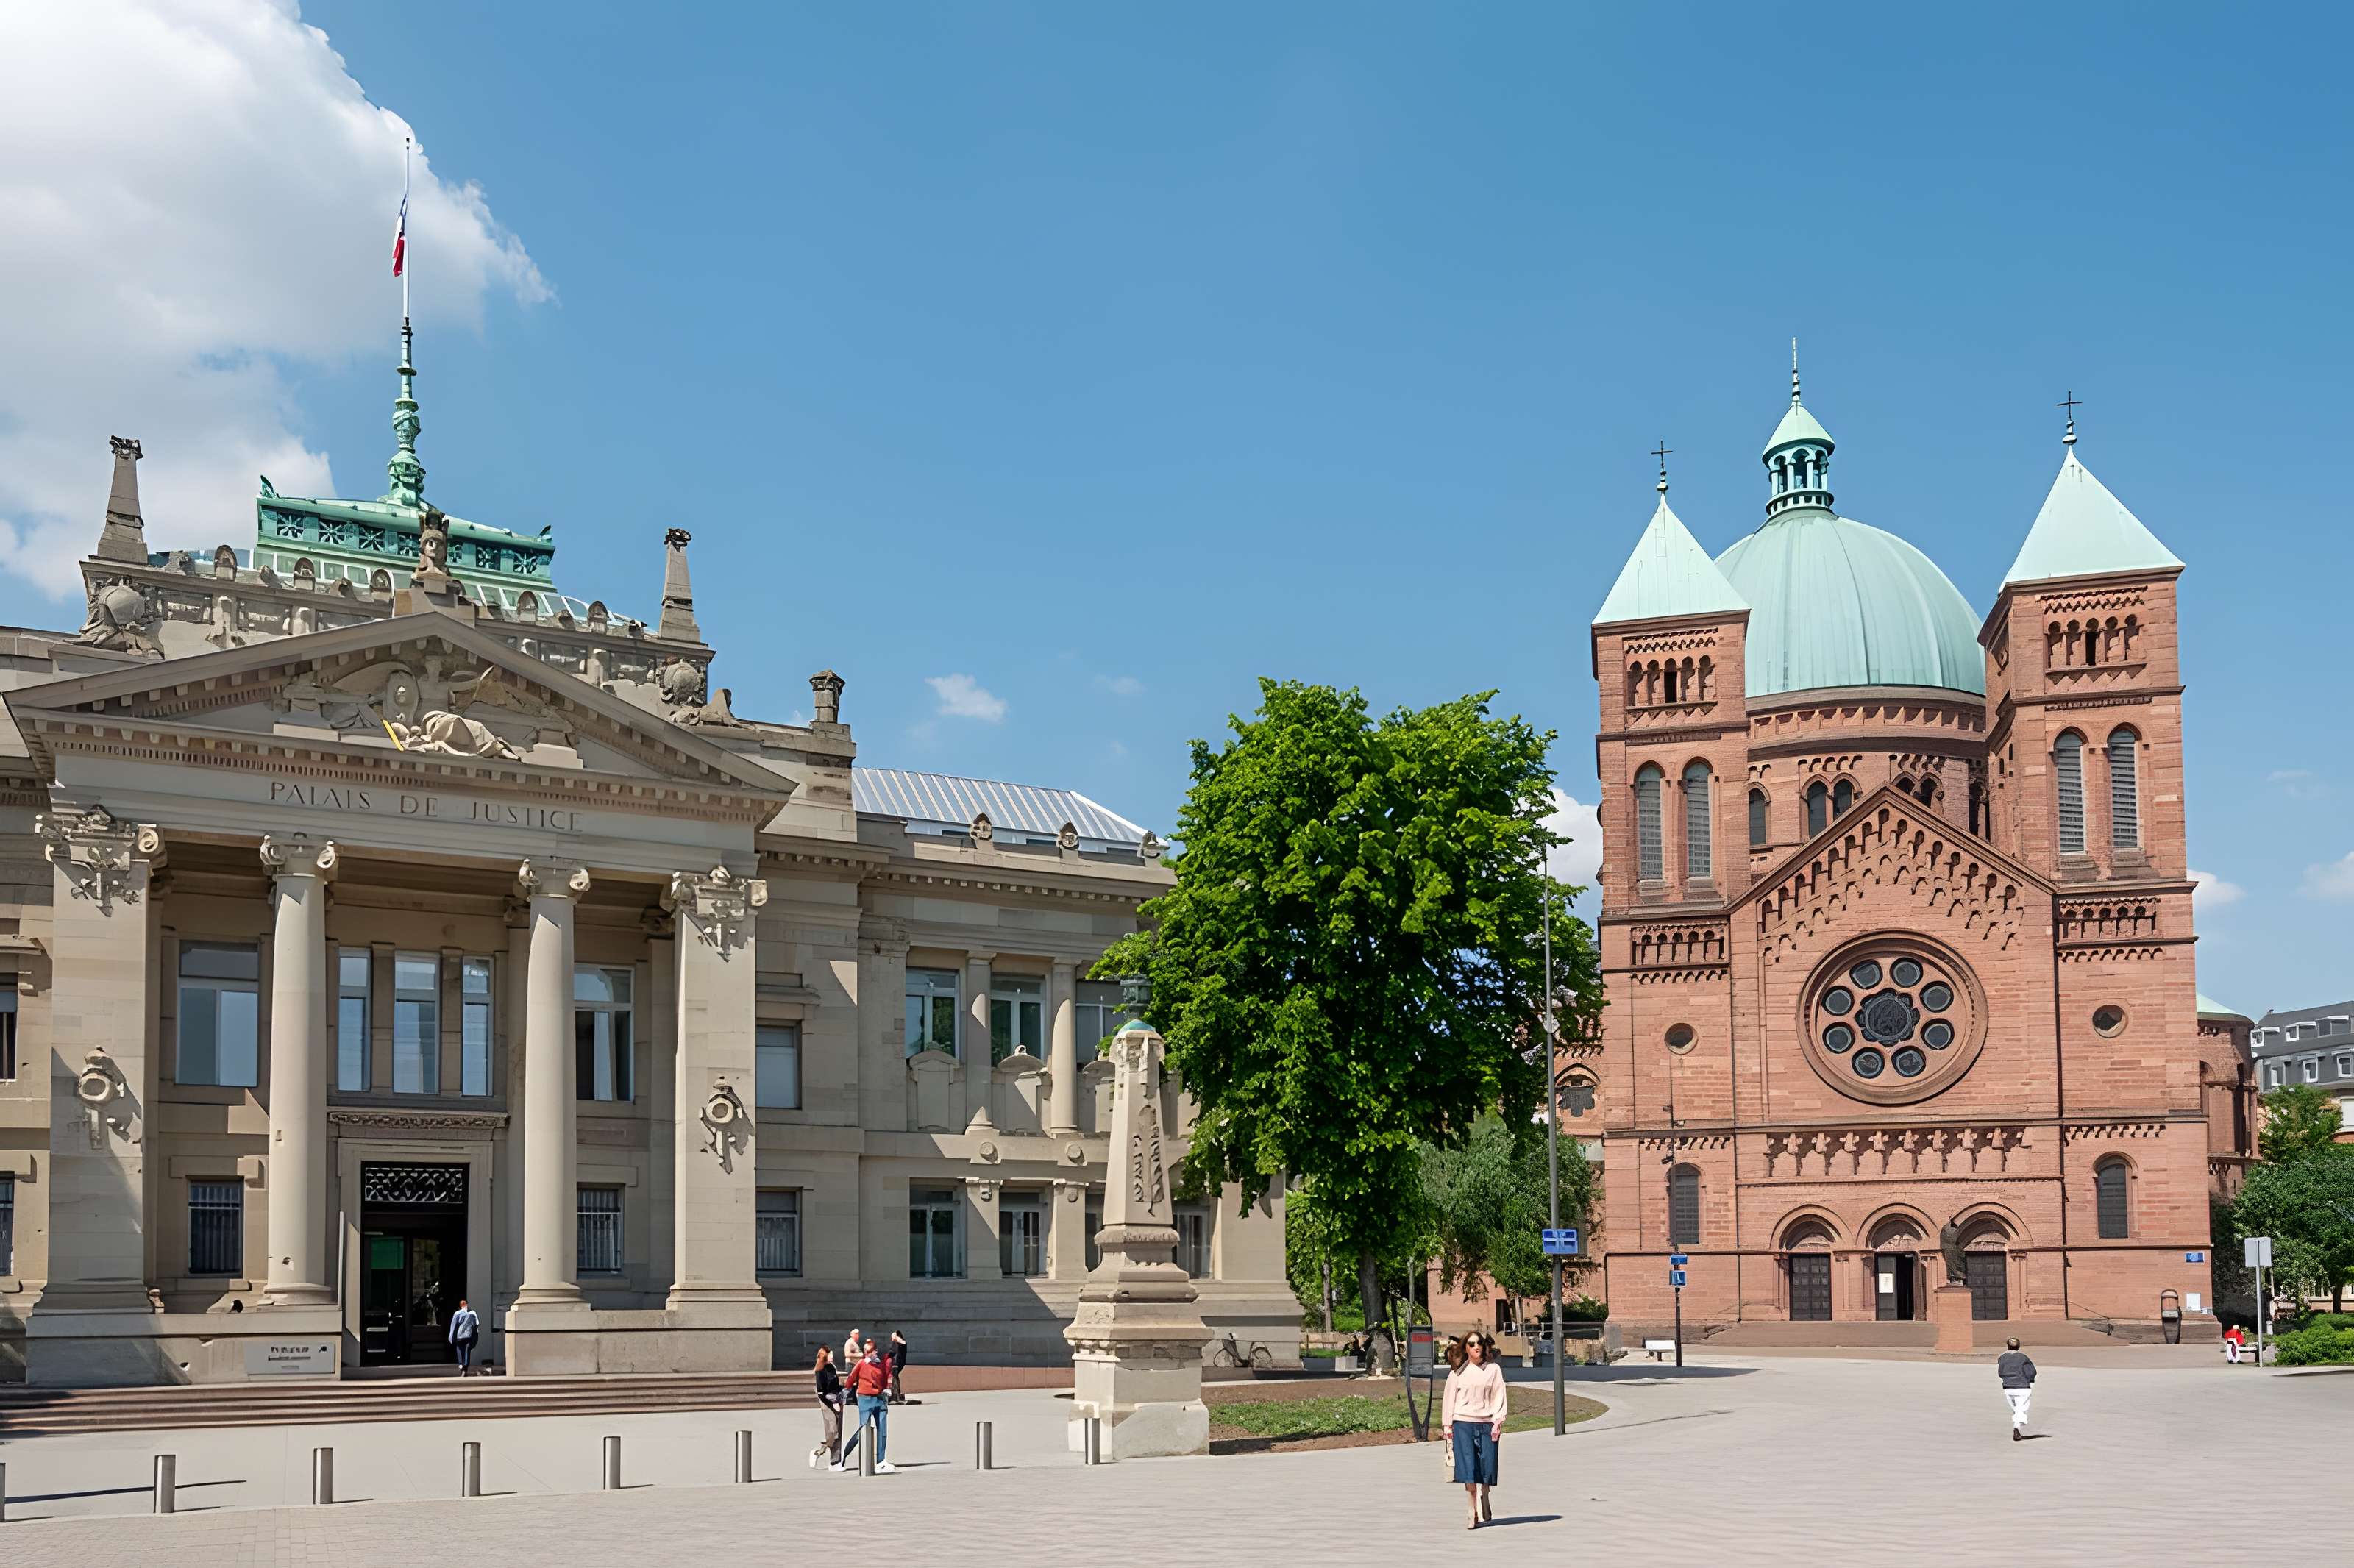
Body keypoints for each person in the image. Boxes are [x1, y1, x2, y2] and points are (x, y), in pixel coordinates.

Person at [1442, 1330, 1506, 1528]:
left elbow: (1499, 1394)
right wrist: (1447, 1429)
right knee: (1468, 1468)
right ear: (1466, 1348)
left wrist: (1498, 1420)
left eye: (1479, 1343)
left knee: (1486, 1466)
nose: (1476, 1346)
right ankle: (1472, 1509)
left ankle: (1484, 1493)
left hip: (1487, 1423)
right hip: (1462, 1423)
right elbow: (1448, 1401)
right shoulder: (1457, 1373)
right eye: (1471, 1344)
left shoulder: (1493, 1370)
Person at [847, 1336, 895, 1472]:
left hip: (879, 1399)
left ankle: (881, 1461)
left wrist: (886, 1388)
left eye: (871, 1352)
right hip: (866, 1399)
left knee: (882, 1430)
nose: (870, 1355)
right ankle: (844, 1454)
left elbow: (885, 1376)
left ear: (876, 1351)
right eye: (867, 1353)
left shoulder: (880, 1364)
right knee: (863, 1429)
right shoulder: (862, 1363)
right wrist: (847, 1390)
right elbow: (851, 1378)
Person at [1996, 1336, 2038, 1439]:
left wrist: (2006, 1379)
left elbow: (2000, 1372)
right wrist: (2030, 1380)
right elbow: (2032, 1371)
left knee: (2016, 1409)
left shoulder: (2002, 1358)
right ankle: (2017, 1428)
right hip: (2023, 1387)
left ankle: (2017, 1426)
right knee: (2021, 1409)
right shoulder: (2023, 1358)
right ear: (2019, 1346)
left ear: (2007, 1346)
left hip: (2008, 1388)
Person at [812, 1346, 844, 1469]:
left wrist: (844, 1388)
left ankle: (835, 1461)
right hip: (827, 1403)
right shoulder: (820, 1370)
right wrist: (833, 1404)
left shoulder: (832, 1367)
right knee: (833, 1431)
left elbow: (835, 1386)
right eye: (830, 1354)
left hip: (836, 1401)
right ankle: (820, 1451)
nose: (832, 1356)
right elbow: (821, 1393)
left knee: (836, 1431)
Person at [448, 1297, 480, 1377]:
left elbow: (453, 1325)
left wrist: (451, 1336)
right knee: (467, 1351)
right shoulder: (473, 1313)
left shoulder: (457, 1314)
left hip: (460, 1335)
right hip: (469, 1335)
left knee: (459, 1349)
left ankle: (461, 1364)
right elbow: (477, 1324)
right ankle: (465, 1367)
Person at [888, 1330, 910, 1405]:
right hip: (895, 1363)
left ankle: (896, 1395)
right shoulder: (895, 1343)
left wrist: (896, 1338)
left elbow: (902, 1345)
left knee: (895, 1377)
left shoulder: (902, 1343)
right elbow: (891, 1353)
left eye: (893, 1336)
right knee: (895, 1377)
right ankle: (896, 1394)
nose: (892, 1338)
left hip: (898, 1363)